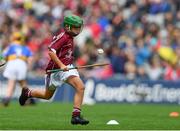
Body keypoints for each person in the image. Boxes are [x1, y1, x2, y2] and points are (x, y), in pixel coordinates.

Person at [19, 14, 89, 125]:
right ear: (67, 27)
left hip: (67, 68)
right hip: (55, 70)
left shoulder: (70, 37)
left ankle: (75, 116)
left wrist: (67, 63)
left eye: (79, 27)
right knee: (47, 96)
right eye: (76, 27)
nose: (78, 30)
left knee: (80, 87)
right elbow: (51, 51)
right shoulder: (64, 36)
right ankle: (28, 93)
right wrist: (61, 65)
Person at [1, 32, 34, 106]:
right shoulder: (25, 47)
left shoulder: (10, 46)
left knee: (11, 83)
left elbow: (3, 56)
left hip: (11, 63)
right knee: (23, 83)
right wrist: (28, 67)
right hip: (21, 64)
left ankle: (7, 98)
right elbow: (30, 58)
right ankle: (28, 100)